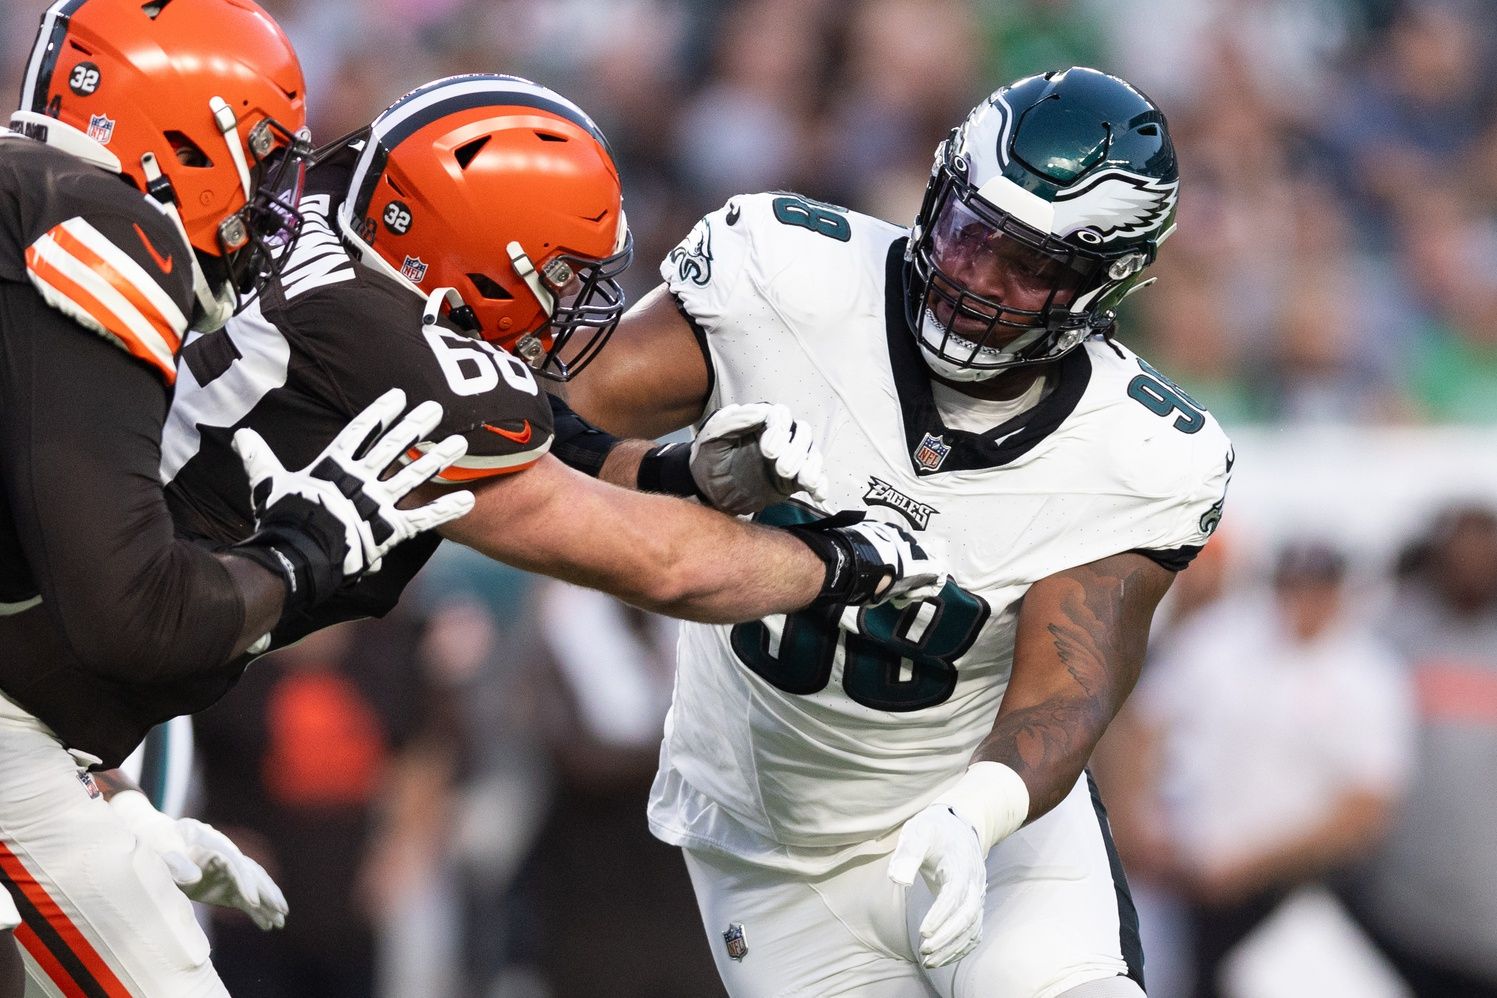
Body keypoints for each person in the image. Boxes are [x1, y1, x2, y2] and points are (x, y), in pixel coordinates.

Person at [565, 66, 1235, 998]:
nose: (975, 278)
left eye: (1030, 266)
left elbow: (1064, 692)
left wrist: (975, 810)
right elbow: (542, 430)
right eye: (969, 232)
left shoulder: (1139, 451)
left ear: (1101, 283)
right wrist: (680, 473)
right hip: (773, 857)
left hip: (992, 827)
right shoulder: (788, 276)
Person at [0, 1, 474, 994]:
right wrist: (306, 546)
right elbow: (138, 616)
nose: (273, 200)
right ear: (180, 130)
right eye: (261, 156)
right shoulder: (101, 217)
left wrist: (110, 796)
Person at [163, 72, 943, 651]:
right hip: (134, 619)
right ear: (473, 261)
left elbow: (551, 448)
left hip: (135, 585)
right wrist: (836, 562)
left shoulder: (333, 231)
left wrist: (681, 475)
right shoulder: (402, 363)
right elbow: (659, 564)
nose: (573, 306)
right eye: (561, 277)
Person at [1130, 539, 1413, 997]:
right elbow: (1148, 724)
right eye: (1291, 588)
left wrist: (1248, 865)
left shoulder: (1368, 673)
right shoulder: (1220, 641)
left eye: (1316, 590)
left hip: (1294, 892)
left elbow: (1366, 807)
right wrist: (1143, 820)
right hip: (1185, 877)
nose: (1301, 602)